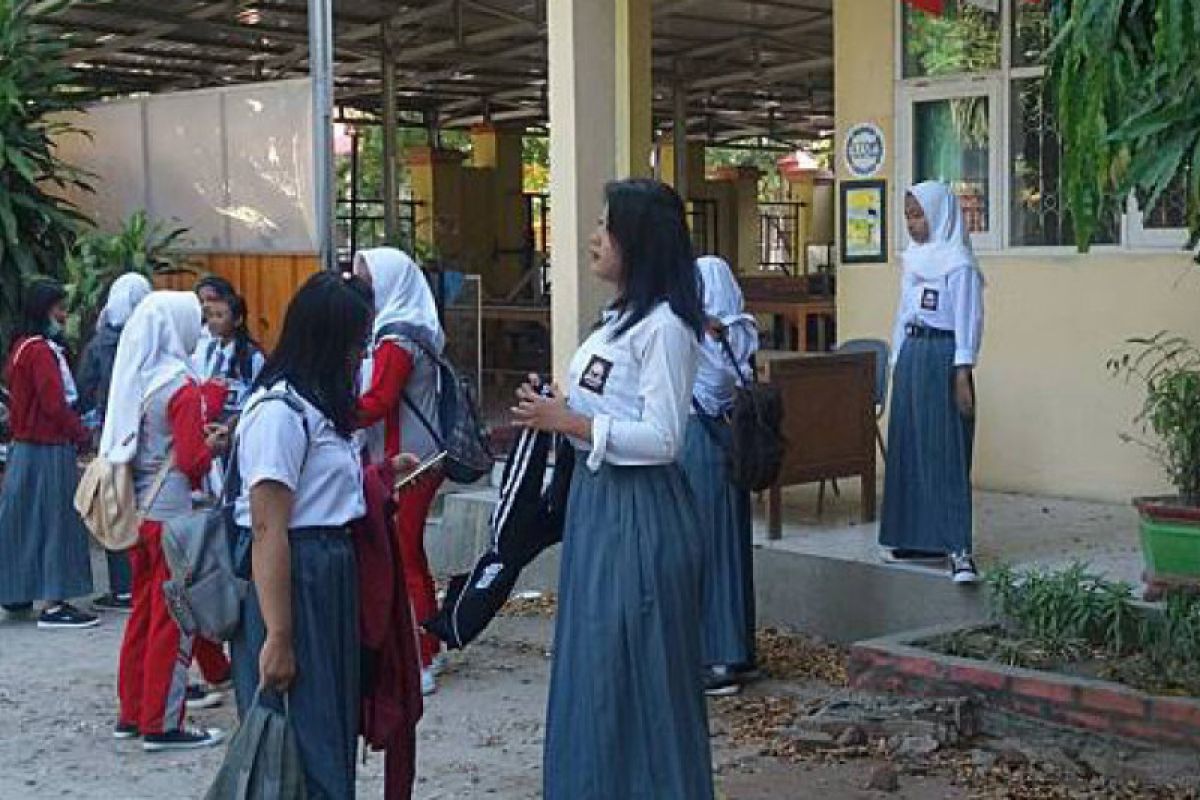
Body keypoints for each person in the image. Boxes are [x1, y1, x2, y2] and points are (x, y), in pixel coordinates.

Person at [513, 179, 714, 799]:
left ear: (640, 240)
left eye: (607, 226)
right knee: (598, 666)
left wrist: (569, 421)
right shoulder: (617, 322)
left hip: (641, 512)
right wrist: (560, 407)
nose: (594, 237)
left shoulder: (667, 328)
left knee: (639, 667)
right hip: (599, 505)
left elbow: (663, 438)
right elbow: (609, 407)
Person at [229, 271, 375, 799]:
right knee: (298, 739)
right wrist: (280, 635)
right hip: (295, 577)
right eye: (355, 344)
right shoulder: (278, 412)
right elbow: (269, 527)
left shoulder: (318, 406)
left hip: (328, 571)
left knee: (329, 731)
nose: (360, 356)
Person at [103, 291, 229, 750]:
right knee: (173, 621)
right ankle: (162, 722)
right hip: (174, 519)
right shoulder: (179, 385)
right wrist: (216, 442)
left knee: (141, 616)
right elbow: (194, 461)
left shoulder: (139, 379)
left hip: (140, 514)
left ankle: (133, 711)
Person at [879, 180, 985, 584]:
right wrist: (896, 358)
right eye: (907, 215)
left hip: (944, 356)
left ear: (939, 213)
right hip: (914, 354)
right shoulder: (914, 259)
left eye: (918, 214)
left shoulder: (958, 262)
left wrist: (962, 371)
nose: (912, 223)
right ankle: (915, 538)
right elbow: (904, 312)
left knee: (945, 449)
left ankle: (959, 549)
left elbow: (967, 320)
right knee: (910, 446)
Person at [355, 247, 446, 696]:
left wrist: (329, 416)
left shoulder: (396, 338)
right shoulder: (417, 327)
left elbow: (378, 402)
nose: (362, 290)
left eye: (367, 280)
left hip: (406, 461)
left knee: (402, 556)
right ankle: (430, 638)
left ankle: (421, 656)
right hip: (418, 456)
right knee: (411, 554)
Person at [0, 281, 97, 628]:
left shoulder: (20, 347)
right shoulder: (41, 352)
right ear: (46, 310)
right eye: (59, 308)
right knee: (57, 522)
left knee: (21, 521)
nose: (63, 315)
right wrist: (81, 434)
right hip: (49, 447)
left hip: (25, 447)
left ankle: (15, 590)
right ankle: (56, 602)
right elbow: (54, 403)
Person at [685, 255, 759, 696]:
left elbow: (712, 383)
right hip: (729, 440)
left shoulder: (711, 331)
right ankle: (738, 648)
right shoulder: (742, 327)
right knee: (729, 548)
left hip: (702, 438)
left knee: (708, 548)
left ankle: (717, 654)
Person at [77, 272, 153, 613]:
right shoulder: (151, 335)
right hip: (148, 432)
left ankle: (122, 586)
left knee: (114, 503)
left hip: (111, 434)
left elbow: (83, 389)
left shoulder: (100, 341)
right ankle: (143, 581)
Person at [195, 292, 264, 421]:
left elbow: (258, 397)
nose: (212, 321)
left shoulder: (252, 356)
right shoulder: (210, 349)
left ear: (238, 320)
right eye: (210, 316)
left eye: (219, 316)